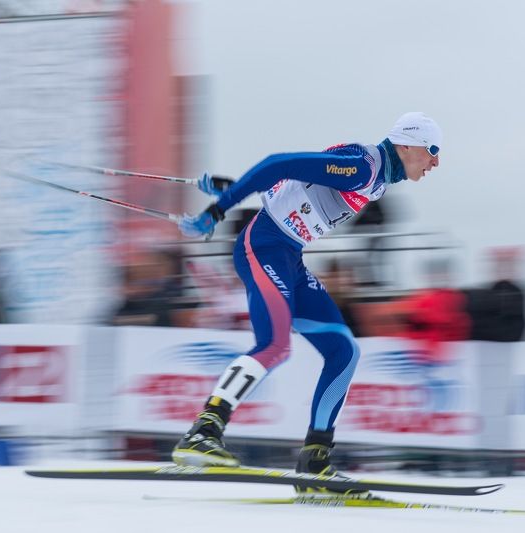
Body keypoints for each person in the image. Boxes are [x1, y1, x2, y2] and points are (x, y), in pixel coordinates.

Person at [173, 112, 442, 490]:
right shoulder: (363, 169)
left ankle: (315, 459)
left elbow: (288, 184)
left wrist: (230, 188)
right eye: (432, 151)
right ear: (407, 144)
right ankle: (204, 431)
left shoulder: (377, 176)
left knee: (344, 351)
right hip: (263, 247)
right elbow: (277, 164)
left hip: (290, 258)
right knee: (275, 345)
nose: (435, 162)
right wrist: (219, 209)